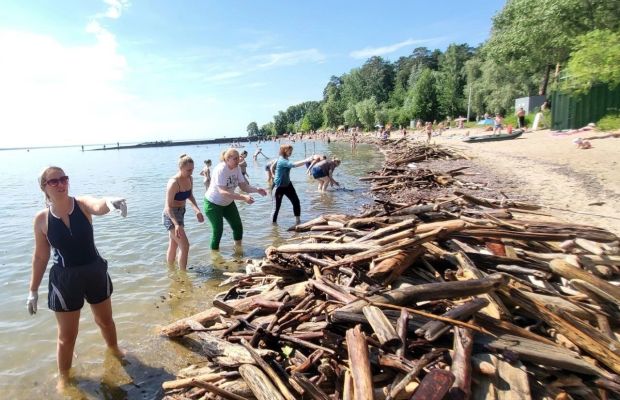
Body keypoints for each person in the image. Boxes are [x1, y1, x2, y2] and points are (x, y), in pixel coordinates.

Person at [28, 166, 127, 391]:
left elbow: (98, 205)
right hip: (65, 279)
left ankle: (114, 349)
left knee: (105, 321)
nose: (61, 184)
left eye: (64, 179)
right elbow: (40, 256)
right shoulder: (42, 219)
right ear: (44, 187)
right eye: (54, 181)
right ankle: (64, 377)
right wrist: (33, 290)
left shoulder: (81, 204)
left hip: (94, 270)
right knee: (67, 336)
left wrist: (110, 202)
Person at [205, 148, 267, 250]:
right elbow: (223, 192)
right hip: (213, 203)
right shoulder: (221, 169)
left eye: (238, 158)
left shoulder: (237, 168)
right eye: (235, 159)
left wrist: (257, 190)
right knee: (218, 231)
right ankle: (215, 256)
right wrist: (243, 197)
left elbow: (243, 186)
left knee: (238, 226)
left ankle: (238, 250)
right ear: (227, 159)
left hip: (228, 203)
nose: (238, 161)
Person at [163, 154, 204, 269]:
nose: (191, 172)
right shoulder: (173, 183)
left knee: (174, 244)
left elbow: (190, 196)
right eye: (188, 170)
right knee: (185, 246)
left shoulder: (190, 178)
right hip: (170, 215)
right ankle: (182, 274)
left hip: (181, 213)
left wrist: (197, 210)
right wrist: (176, 225)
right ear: (180, 168)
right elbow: (168, 207)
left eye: (192, 169)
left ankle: (170, 271)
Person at [271, 145, 311, 224]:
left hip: (288, 185)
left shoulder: (285, 159)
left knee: (296, 201)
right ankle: (274, 227)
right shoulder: (282, 160)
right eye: (289, 150)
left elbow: (273, 167)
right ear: (284, 150)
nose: (291, 152)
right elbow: (294, 165)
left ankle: (298, 221)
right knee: (276, 208)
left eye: (291, 150)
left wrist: (273, 174)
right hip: (278, 187)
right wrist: (307, 160)